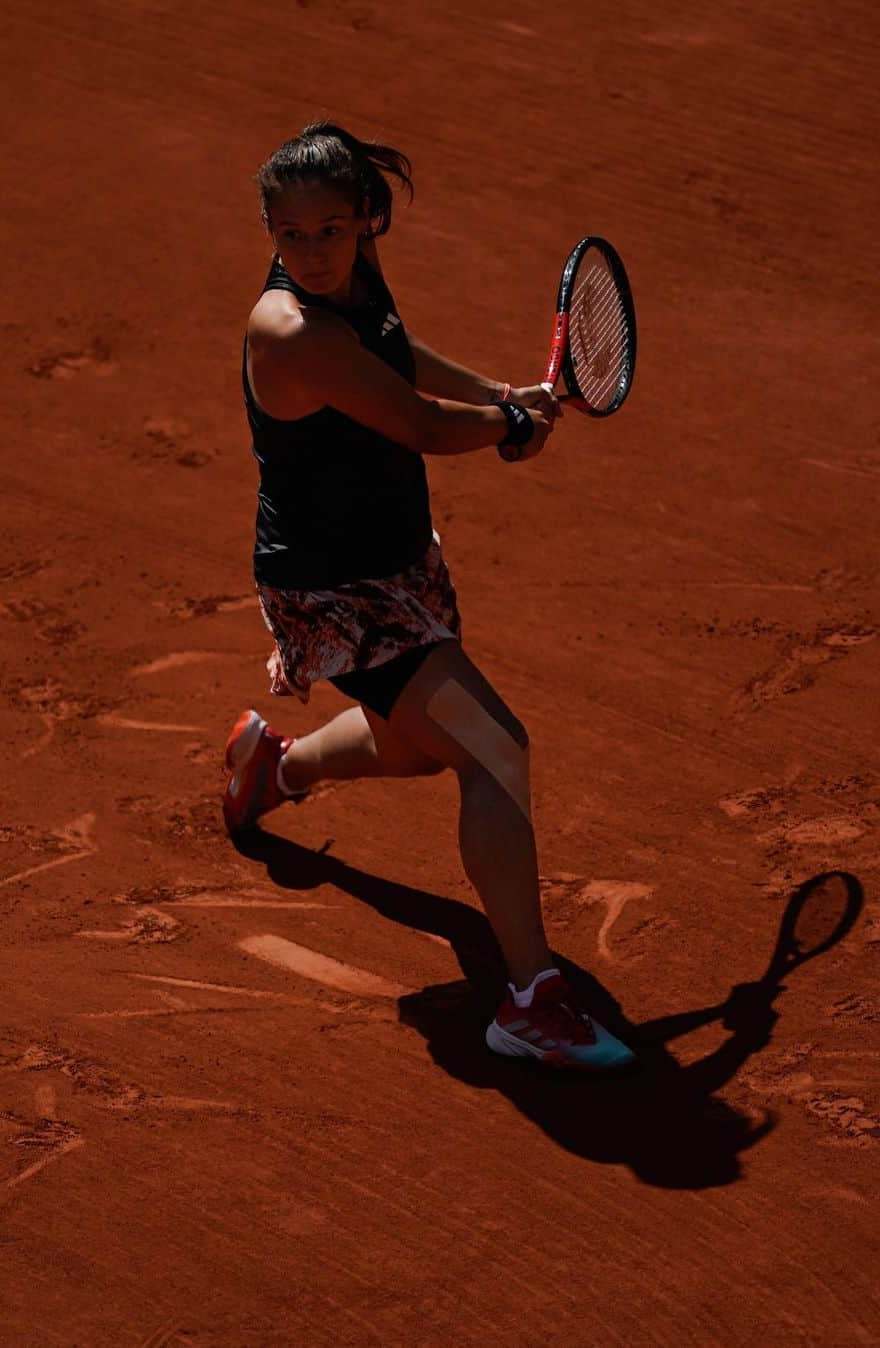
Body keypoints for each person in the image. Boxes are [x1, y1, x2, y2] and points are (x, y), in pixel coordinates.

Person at [224, 122, 634, 1072]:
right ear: (270, 230)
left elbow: (400, 359)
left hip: (396, 561)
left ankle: (272, 768)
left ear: (367, 219)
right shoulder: (287, 328)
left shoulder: (355, 280)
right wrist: (504, 425)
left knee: (416, 743)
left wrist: (503, 393)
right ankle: (529, 998)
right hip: (335, 588)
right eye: (292, 235)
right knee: (495, 749)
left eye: (332, 228)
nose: (313, 251)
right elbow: (411, 421)